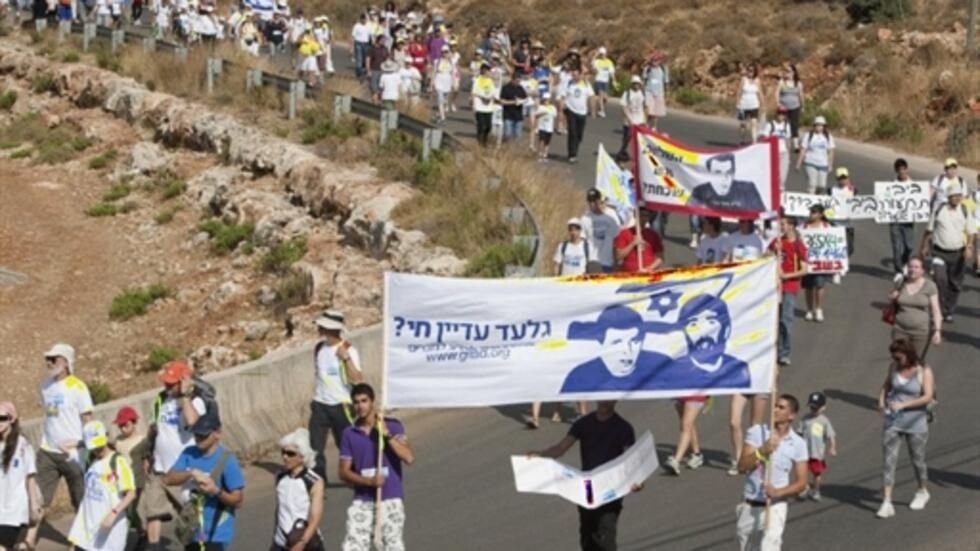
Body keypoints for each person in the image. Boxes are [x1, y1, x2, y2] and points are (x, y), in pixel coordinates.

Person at [528, 400, 642, 551]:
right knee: (588, 536)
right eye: (602, 398)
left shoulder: (623, 428)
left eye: (609, 399)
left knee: (605, 535)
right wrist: (540, 454)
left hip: (612, 489)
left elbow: (630, 459)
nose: (604, 402)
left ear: (615, 400)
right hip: (587, 487)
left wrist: (636, 480)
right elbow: (561, 448)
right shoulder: (584, 423)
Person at [28, 343, 91, 549]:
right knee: (37, 498)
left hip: (73, 454)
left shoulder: (78, 387)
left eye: (53, 359)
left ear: (65, 362)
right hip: (48, 451)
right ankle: (28, 540)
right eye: (47, 359)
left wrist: (81, 444)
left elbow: (88, 420)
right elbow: (50, 415)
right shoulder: (44, 386)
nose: (48, 363)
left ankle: (80, 542)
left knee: (80, 501)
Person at [142, 360, 210, 550]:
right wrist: (147, 455)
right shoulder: (161, 400)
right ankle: (153, 547)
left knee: (189, 522)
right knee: (153, 511)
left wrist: (186, 395)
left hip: (183, 471)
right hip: (159, 468)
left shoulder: (196, 400)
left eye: (171, 383)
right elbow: (154, 429)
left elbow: (192, 422)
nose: (166, 386)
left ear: (183, 381)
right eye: (165, 382)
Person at [339, 383, 415, 551]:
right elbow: (343, 472)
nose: (360, 406)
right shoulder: (349, 433)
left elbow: (408, 457)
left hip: (390, 497)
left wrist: (386, 434)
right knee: (353, 546)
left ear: (372, 402)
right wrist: (368, 482)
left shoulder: (393, 425)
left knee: (391, 545)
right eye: (356, 402)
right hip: (363, 498)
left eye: (364, 401)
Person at [164, 410, 246, 551]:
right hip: (191, 531)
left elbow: (238, 500)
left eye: (203, 435)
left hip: (217, 534)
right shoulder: (188, 453)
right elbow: (168, 478)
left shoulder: (228, 461)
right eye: (196, 434)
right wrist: (190, 473)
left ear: (217, 433)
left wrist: (215, 491)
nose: (198, 438)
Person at [736, 394, 808, 551]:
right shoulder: (757, 433)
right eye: (775, 405)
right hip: (751, 504)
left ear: (792, 415)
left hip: (776, 505)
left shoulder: (798, 444)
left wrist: (778, 492)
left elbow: (802, 482)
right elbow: (742, 467)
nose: (775, 409)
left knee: (770, 545)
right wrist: (761, 451)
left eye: (781, 407)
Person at [875, 338, 934, 518]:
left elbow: (928, 396)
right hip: (893, 422)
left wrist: (904, 405)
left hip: (916, 422)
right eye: (894, 357)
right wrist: (881, 403)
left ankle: (922, 491)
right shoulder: (894, 367)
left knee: (917, 460)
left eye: (899, 358)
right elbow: (886, 385)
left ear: (908, 355)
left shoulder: (923, 371)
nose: (896, 361)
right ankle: (887, 501)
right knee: (889, 461)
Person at [309, 310, 362, 482]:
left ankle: (355, 476)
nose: (318, 328)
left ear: (329, 328)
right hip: (320, 405)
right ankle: (319, 481)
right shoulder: (319, 349)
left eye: (321, 326)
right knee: (315, 447)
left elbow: (357, 379)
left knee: (345, 445)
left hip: (341, 406)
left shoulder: (348, 349)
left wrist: (346, 359)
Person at [68, 421, 137, 551]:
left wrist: (113, 513)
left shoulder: (117, 461)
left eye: (99, 445)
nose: (97, 450)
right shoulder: (90, 460)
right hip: (87, 527)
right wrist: (84, 442)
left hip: (111, 528)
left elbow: (131, 493)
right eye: (93, 447)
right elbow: (62, 446)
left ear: (106, 438)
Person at [919, 182, 975, 322]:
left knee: (955, 284)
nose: (956, 198)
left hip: (958, 254)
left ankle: (948, 311)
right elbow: (929, 230)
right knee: (940, 280)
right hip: (939, 252)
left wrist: (969, 247)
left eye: (958, 196)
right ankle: (938, 309)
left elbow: (971, 232)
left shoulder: (964, 211)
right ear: (948, 197)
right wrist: (924, 247)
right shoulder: (939, 209)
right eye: (953, 196)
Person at [271, 429, 324, 551]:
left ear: (302, 456)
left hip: (305, 542)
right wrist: (274, 536)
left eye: (290, 454)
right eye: (283, 452)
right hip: (280, 542)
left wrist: (302, 543)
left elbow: (315, 518)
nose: (285, 457)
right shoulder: (279, 477)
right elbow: (279, 509)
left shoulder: (314, 481)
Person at [0, 402, 41, 551]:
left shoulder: (23, 446)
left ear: (12, 419)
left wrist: (34, 506)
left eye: (2, 418)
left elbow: (30, 478)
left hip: (13, 510)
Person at [773, 217, 807, 366]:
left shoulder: (798, 246)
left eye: (783, 224)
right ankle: (774, 350)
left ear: (791, 226)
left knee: (785, 320)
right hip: (774, 287)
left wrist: (787, 276)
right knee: (774, 320)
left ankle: (784, 352)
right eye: (780, 224)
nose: (781, 227)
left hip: (789, 287)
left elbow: (804, 269)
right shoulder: (777, 243)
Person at [690, 153, 766, 212]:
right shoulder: (699, 192)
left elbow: (761, 216)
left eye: (729, 172)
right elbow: (693, 211)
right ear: (709, 174)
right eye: (718, 173)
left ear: (734, 173)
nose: (724, 178)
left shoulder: (747, 190)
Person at [798, 392, 836, 501]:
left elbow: (831, 435)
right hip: (804, 452)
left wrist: (832, 447)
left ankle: (816, 490)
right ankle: (804, 488)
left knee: (817, 473)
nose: (813, 410)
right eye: (811, 407)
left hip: (817, 454)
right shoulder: (805, 418)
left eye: (816, 408)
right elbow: (799, 433)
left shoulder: (824, 421)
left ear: (823, 408)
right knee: (802, 472)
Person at [801, 204, 831, 322]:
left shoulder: (826, 227)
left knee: (819, 285)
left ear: (820, 214)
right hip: (807, 262)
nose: (811, 214)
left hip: (820, 262)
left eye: (814, 212)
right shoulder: (804, 226)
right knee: (808, 287)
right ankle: (809, 310)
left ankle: (819, 309)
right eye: (811, 212)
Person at [662, 396, 707, 475]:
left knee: (685, 425)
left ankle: (676, 460)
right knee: (687, 422)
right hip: (681, 391)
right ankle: (697, 454)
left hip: (697, 392)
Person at [581, 188, 622, 273]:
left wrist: (617, 261)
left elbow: (616, 240)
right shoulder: (585, 218)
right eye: (590, 201)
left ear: (599, 200)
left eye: (594, 200)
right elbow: (582, 241)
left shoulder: (611, 217)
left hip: (608, 262)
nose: (592, 204)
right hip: (593, 262)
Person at [888, 158, 916, 282]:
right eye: (899, 170)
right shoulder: (891, 186)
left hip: (908, 221)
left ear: (907, 169)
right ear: (896, 171)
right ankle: (898, 270)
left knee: (909, 246)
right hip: (895, 220)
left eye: (904, 169)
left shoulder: (913, 185)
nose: (902, 172)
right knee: (897, 246)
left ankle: (905, 263)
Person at [613, 208, 664, 273]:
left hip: (649, 273)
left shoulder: (653, 235)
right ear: (635, 215)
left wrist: (649, 268)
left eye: (646, 216)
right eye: (641, 215)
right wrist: (633, 243)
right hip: (630, 274)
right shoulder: (624, 233)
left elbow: (660, 258)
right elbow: (618, 256)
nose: (644, 218)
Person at [560, 66, 594, 163]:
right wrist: (561, 110)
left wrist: (592, 111)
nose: (574, 77)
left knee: (579, 135)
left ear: (580, 74)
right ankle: (572, 155)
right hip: (570, 110)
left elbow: (591, 97)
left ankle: (575, 151)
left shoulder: (586, 84)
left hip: (582, 112)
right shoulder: (568, 83)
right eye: (573, 75)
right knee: (572, 133)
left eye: (576, 75)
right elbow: (563, 97)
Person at [829, 166, 856, 284]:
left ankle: (844, 262)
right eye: (840, 178)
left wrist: (850, 187)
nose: (842, 180)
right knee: (837, 248)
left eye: (844, 178)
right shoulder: (831, 190)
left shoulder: (852, 189)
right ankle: (837, 271)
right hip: (835, 223)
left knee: (849, 248)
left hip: (848, 224)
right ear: (836, 179)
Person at [795, 116, 835, 195]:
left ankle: (816, 196)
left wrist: (830, 165)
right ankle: (811, 197)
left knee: (821, 185)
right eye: (817, 125)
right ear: (814, 125)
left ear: (824, 126)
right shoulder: (809, 135)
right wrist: (798, 164)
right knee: (812, 184)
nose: (819, 127)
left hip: (823, 164)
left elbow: (831, 151)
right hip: (810, 162)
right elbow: (803, 150)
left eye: (821, 125)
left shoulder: (828, 137)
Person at [760, 106, 792, 190]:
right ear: (776, 114)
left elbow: (787, 140)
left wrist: (789, 155)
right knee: (771, 174)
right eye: (780, 113)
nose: (781, 116)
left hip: (783, 152)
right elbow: (765, 139)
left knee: (782, 176)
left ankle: (780, 190)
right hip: (772, 152)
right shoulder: (770, 125)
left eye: (783, 114)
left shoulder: (786, 125)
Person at [774, 64, 804, 151]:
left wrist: (802, 106)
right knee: (783, 125)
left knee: (794, 126)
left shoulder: (798, 83)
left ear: (793, 72)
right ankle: (784, 143)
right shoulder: (782, 82)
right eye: (786, 71)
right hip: (784, 108)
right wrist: (778, 103)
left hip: (795, 107)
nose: (787, 73)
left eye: (789, 71)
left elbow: (801, 95)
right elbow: (777, 93)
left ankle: (796, 145)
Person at [736, 63, 763, 144]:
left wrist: (762, 104)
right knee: (743, 124)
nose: (750, 72)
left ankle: (754, 141)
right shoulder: (743, 80)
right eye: (749, 70)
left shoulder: (757, 81)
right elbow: (739, 91)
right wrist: (738, 103)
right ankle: (742, 140)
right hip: (744, 105)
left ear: (754, 72)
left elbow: (760, 93)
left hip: (754, 105)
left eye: (752, 71)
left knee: (754, 123)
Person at [499, 69, 528, 142]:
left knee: (518, 137)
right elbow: (502, 101)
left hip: (519, 117)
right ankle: (505, 148)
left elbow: (525, 98)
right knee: (507, 134)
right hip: (508, 116)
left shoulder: (520, 88)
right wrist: (514, 102)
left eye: (519, 81)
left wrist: (522, 101)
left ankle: (515, 151)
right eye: (517, 81)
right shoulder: (505, 88)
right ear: (512, 79)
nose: (518, 83)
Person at [472, 63, 497, 147]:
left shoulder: (490, 81)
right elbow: (474, 93)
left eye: (489, 71)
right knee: (481, 125)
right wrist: (474, 105)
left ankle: (485, 140)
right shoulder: (477, 80)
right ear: (483, 71)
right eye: (487, 71)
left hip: (489, 108)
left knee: (489, 126)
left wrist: (490, 98)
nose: (489, 72)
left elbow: (493, 93)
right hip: (479, 107)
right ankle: (480, 142)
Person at [642, 51, 668, 129]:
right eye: (653, 60)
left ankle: (654, 126)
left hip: (659, 92)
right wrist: (642, 90)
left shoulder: (664, 69)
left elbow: (666, 81)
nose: (654, 62)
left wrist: (667, 92)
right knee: (648, 108)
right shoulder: (647, 68)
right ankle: (645, 124)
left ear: (660, 61)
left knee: (656, 111)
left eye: (656, 60)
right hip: (649, 91)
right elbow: (644, 79)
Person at [620, 75, 645, 154]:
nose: (636, 85)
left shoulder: (642, 93)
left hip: (640, 120)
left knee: (640, 141)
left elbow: (646, 106)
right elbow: (623, 107)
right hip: (629, 121)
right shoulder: (627, 93)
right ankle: (622, 153)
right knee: (626, 139)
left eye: (638, 84)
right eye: (635, 83)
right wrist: (629, 119)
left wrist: (645, 120)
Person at [590, 46, 615, 118]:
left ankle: (599, 108)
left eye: (603, 54)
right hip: (599, 80)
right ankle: (602, 111)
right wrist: (595, 54)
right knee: (601, 96)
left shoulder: (609, 62)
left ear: (606, 54)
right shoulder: (597, 61)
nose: (602, 55)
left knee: (606, 99)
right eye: (601, 54)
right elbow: (592, 63)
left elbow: (611, 72)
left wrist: (613, 80)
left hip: (606, 82)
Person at [533, 92, 557, 161]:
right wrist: (536, 128)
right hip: (542, 127)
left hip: (549, 128)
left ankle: (545, 154)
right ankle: (540, 154)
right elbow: (536, 116)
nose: (547, 101)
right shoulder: (541, 107)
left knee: (547, 142)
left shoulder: (553, 108)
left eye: (548, 99)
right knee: (541, 141)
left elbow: (554, 116)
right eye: (545, 99)